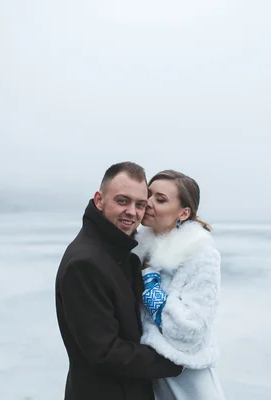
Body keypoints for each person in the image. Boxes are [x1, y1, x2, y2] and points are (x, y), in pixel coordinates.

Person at [55, 162, 183, 400]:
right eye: (122, 201)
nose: (132, 212)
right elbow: (105, 352)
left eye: (140, 204)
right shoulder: (85, 263)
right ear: (99, 200)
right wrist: (174, 360)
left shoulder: (122, 254)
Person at [133, 170, 226, 399]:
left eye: (161, 199)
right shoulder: (137, 250)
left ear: (183, 213)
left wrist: (148, 282)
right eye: (149, 195)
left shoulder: (201, 256)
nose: (149, 203)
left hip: (188, 384)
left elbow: (189, 330)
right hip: (151, 378)